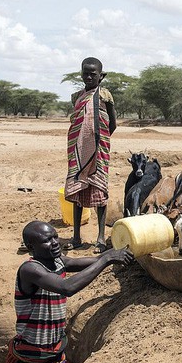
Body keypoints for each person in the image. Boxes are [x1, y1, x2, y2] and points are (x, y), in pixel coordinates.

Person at [6, 220, 133, 363]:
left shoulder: (59, 262)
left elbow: (94, 260)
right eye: (47, 241)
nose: (55, 242)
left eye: (55, 236)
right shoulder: (30, 270)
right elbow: (67, 287)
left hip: (55, 355)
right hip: (31, 361)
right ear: (31, 247)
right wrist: (107, 259)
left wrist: (121, 253)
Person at [63, 57, 117, 253]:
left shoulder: (104, 95)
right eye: (85, 73)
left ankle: (101, 238)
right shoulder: (76, 96)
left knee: (99, 193)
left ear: (100, 76)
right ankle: (76, 236)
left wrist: (100, 141)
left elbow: (112, 123)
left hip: (99, 151)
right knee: (77, 191)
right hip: (77, 151)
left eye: (93, 74)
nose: (88, 76)